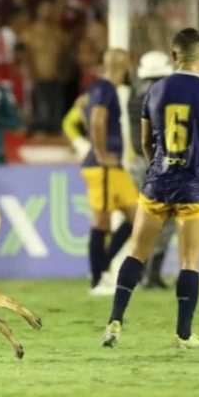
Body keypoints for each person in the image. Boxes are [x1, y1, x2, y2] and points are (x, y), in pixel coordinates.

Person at [101, 28, 199, 350]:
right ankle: (183, 334)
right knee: (189, 261)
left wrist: (157, 168)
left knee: (136, 253)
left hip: (157, 184)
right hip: (195, 187)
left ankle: (115, 321)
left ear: (174, 54)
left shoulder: (155, 91)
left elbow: (143, 142)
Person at [80, 49, 137, 296]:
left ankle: (101, 266)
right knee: (101, 221)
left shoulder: (98, 88)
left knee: (139, 217)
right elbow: (97, 118)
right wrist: (101, 152)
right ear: (125, 66)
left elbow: (82, 108)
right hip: (102, 166)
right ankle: (97, 279)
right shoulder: (104, 88)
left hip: (114, 168)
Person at [128, 50, 175, 288]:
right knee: (165, 218)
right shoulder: (164, 93)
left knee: (145, 218)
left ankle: (141, 271)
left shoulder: (135, 92)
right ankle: (151, 273)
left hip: (137, 161)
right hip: (159, 162)